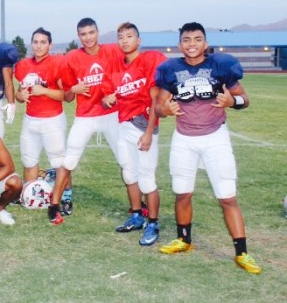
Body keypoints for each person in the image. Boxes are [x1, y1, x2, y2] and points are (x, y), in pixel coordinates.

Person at [155, 22, 261, 274]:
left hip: (215, 137)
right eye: (187, 39)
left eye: (197, 39)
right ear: (179, 44)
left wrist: (231, 101)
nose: (192, 44)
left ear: (205, 43)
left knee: (227, 196)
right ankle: (184, 239)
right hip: (184, 138)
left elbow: (244, 99)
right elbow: (159, 106)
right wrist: (165, 110)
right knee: (182, 192)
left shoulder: (220, 66)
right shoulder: (170, 70)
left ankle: (242, 253)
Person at [48, 18, 130, 225]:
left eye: (91, 33)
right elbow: (67, 95)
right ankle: (54, 203)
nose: (88, 38)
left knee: (126, 160)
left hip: (111, 113)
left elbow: (131, 71)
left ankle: (137, 206)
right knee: (69, 160)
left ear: (98, 32)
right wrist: (72, 89)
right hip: (86, 115)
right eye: (83, 34)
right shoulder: (72, 58)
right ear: (79, 36)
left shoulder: (113, 50)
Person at [101, 22, 167, 246]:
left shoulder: (149, 60)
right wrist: (107, 99)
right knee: (129, 174)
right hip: (123, 125)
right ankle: (137, 215)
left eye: (129, 36)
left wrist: (149, 132)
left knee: (147, 177)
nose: (125, 40)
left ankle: (154, 223)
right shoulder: (116, 67)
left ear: (139, 40)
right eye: (121, 37)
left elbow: (155, 99)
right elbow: (109, 96)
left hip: (143, 125)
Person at [14, 28, 66, 184]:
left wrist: (44, 91)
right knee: (28, 159)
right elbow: (19, 94)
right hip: (30, 119)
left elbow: (67, 95)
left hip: (53, 119)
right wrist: (20, 96)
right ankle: (30, 193)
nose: (38, 46)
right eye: (35, 42)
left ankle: (65, 196)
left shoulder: (57, 63)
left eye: (43, 42)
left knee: (59, 162)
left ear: (50, 45)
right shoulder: (23, 65)